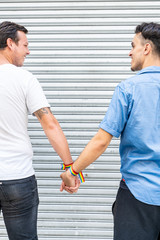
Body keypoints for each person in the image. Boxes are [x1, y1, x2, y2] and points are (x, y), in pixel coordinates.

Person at [61, 22, 160, 240]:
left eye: (133, 46)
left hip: (138, 193)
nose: (129, 52)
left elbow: (101, 141)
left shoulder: (129, 89)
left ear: (146, 49)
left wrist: (72, 171)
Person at [0, 21, 79, 240]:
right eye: (24, 44)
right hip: (17, 177)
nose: (28, 50)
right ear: (10, 43)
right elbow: (49, 123)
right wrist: (69, 168)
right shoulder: (24, 78)